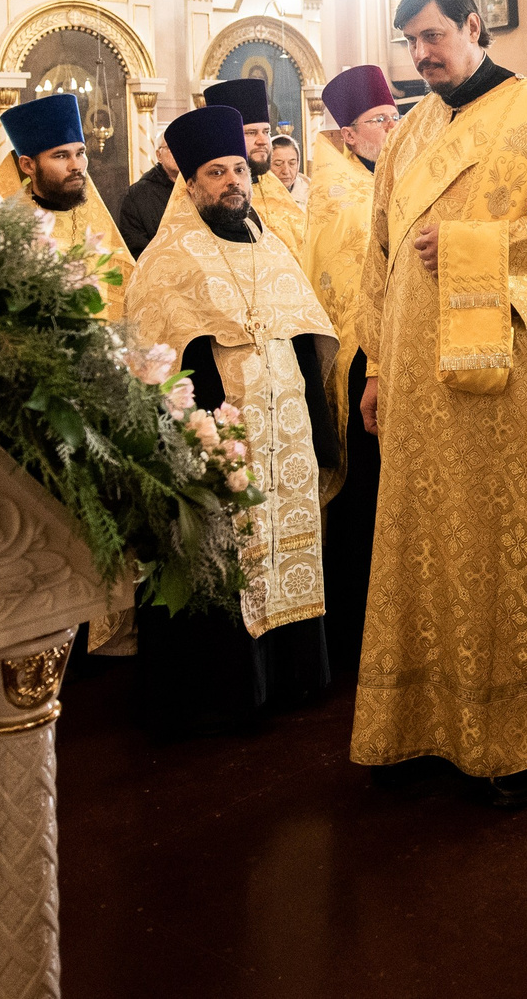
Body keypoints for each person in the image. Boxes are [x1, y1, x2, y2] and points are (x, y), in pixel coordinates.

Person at [353, 0, 527, 807]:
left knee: (506, 550)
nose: (423, 54)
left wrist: (479, 246)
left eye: (435, 36)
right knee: (426, 549)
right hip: (415, 384)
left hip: (511, 395)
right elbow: (380, 258)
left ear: (475, 26)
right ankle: (422, 724)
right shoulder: (407, 132)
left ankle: (526, 738)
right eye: (411, 42)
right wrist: (374, 366)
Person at [126, 102, 338, 735]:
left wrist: (319, 429)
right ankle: (229, 690)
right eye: (215, 173)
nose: (233, 183)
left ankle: (295, 676)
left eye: (239, 170)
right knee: (229, 554)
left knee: (287, 543)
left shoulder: (271, 248)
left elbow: (307, 335)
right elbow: (155, 358)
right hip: (217, 435)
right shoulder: (167, 260)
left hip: (287, 428)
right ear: (190, 185)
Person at [307, 63, 401, 680]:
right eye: (378, 122)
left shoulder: (380, 178)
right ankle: (360, 637)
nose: (391, 132)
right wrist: (374, 365)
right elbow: (355, 293)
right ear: (347, 134)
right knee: (364, 504)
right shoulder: (340, 198)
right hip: (362, 364)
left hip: (395, 353)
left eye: (395, 119)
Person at [0, 92, 131, 320]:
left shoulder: (96, 219)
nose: (76, 165)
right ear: (28, 165)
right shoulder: (8, 227)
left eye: (80, 153)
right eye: (61, 156)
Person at [208, 77, 306, 260]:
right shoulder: (211, 191)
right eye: (251, 133)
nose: (262, 141)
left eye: (266, 132)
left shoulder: (271, 184)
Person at [118, 132, 178, 260]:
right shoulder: (138, 194)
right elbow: (135, 244)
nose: (180, 152)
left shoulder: (200, 186)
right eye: (172, 148)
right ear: (159, 155)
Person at [269, 133, 307, 210]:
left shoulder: (311, 196)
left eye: (292, 163)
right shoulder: (256, 195)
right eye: (278, 164)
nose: (286, 171)